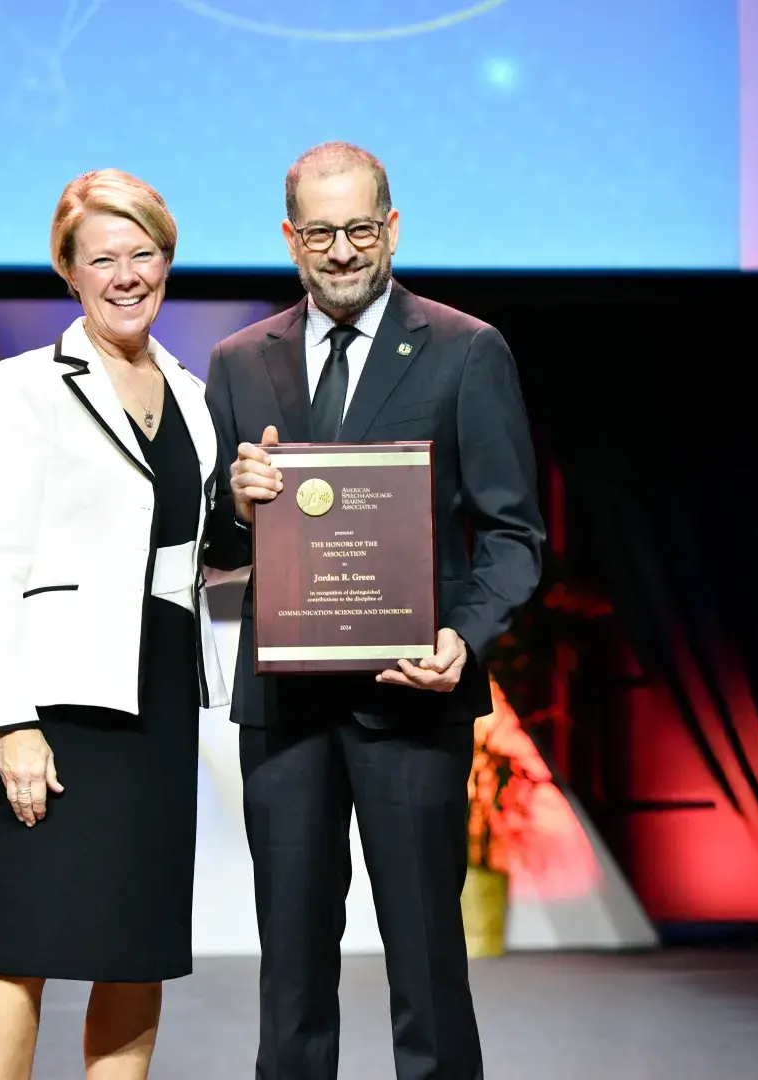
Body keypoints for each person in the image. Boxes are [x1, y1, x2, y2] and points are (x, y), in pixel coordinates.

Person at [204, 142, 546, 1080]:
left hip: (412, 702)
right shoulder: (238, 363)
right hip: (285, 713)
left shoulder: (466, 349)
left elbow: (515, 535)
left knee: (430, 971)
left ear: (392, 228)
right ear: (290, 238)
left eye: (361, 229)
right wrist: (235, 504)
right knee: (293, 982)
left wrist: (462, 637)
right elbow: (219, 552)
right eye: (321, 233)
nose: (343, 251)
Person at [0, 168, 247, 1080]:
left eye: (144, 254)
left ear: (166, 261)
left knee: (137, 942)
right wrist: (12, 720)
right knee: (25, 936)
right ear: (70, 273)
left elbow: (205, 557)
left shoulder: (199, 396)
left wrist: (245, 511)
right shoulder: (23, 387)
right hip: (61, 700)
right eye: (104, 259)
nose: (128, 275)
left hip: (162, 685)